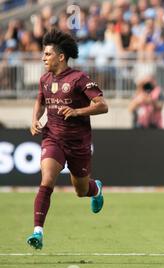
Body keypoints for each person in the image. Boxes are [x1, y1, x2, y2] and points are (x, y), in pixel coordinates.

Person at [27, 29, 108, 250]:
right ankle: (38, 232)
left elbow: (102, 106)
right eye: (43, 54)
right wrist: (35, 119)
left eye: (47, 54)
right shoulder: (44, 79)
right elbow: (40, 101)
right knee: (47, 180)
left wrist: (76, 111)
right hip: (52, 138)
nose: (43, 58)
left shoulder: (79, 78)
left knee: (81, 191)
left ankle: (96, 189)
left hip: (78, 143)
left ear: (61, 57)